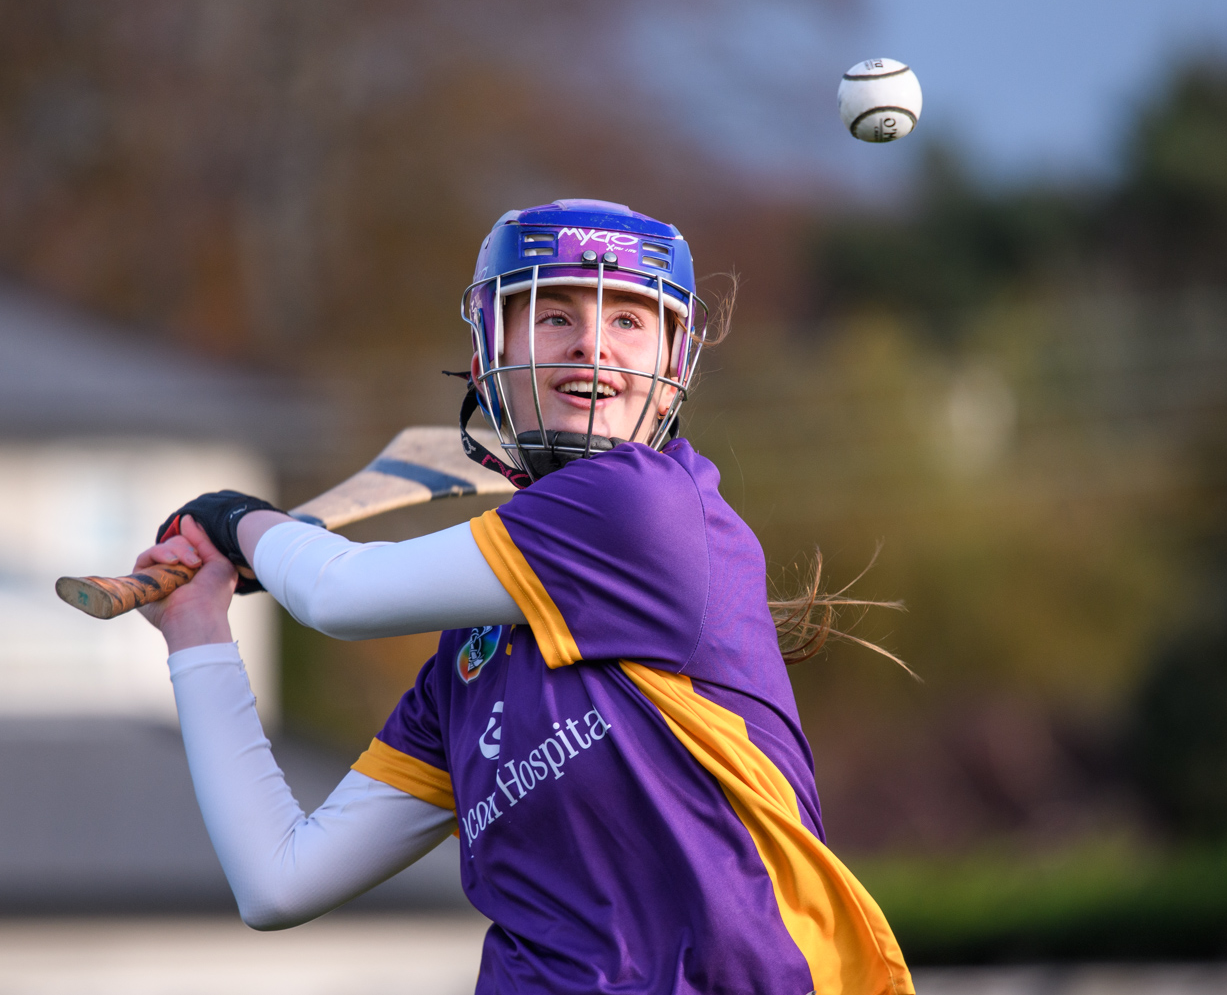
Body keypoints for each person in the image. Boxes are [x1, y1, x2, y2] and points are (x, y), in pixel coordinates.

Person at [135, 199, 915, 995]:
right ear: (487, 357)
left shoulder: (646, 506)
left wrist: (233, 519)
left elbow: (340, 592)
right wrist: (197, 633)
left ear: (674, 365)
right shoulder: (470, 662)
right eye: (553, 314)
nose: (592, 342)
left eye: (629, 320)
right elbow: (279, 880)